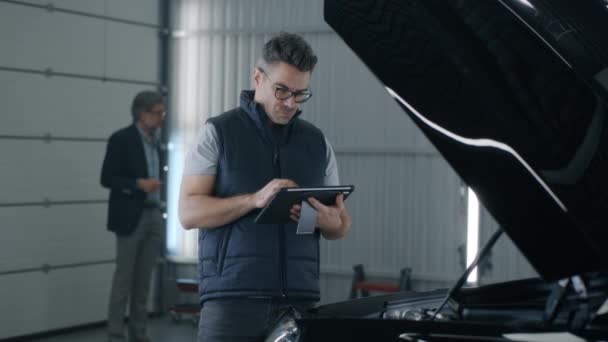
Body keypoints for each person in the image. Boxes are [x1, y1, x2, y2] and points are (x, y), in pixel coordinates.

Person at [179, 32, 352, 341]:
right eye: (281, 90)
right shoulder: (218, 133)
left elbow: (341, 224)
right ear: (257, 77)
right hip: (232, 302)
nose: (290, 103)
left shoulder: (317, 143)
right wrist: (254, 199)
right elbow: (189, 212)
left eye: (300, 94)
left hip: (299, 303)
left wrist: (329, 222)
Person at [101, 90, 166, 342]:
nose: (161, 118)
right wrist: (138, 184)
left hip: (153, 215)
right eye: (157, 113)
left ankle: (139, 334)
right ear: (142, 114)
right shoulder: (121, 139)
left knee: (143, 282)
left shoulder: (156, 141)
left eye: (163, 113)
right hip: (131, 217)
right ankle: (115, 335)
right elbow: (107, 179)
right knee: (123, 281)